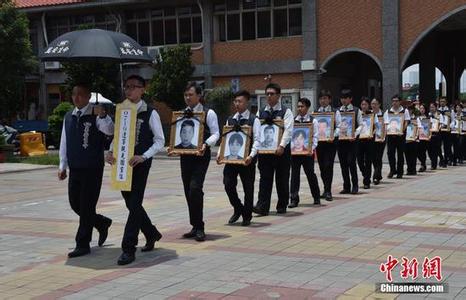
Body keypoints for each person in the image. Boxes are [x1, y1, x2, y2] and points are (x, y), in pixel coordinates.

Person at [106, 75, 165, 265]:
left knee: (135, 203)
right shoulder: (122, 111)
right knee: (132, 204)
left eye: (133, 87)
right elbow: (117, 136)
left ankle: (128, 248)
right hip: (122, 165)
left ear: (143, 89)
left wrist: (144, 156)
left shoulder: (150, 113)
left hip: (140, 164)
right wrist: (111, 152)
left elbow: (160, 141)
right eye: (127, 87)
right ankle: (151, 233)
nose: (129, 90)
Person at [58, 84, 114, 258]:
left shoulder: (96, 114)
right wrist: (62, 165)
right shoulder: (69, 116)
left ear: (88, 96)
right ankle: (101, 222)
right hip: (75, 168)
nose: (76, 98)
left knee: (87, 205)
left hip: (92, 168)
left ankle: (82, 243)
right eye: (74, 94)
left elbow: (110, 130)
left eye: (81, 94)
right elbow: (64, 142)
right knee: (76, 204)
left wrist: (103, 115)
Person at [170, 82, 220, 241]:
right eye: (185, 95)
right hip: (186, 155)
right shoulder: (182, 113)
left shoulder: (208, 113)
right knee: (187, 190)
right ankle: (194, 225)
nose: (187, 98)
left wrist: (206, 144)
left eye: (190, 95)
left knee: (195, 188)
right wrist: (173, 147)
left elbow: (216, 133)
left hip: (200, 155)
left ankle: (200, 227)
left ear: (199, 96)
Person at [218, 90, 260, 226]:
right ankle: (238, 208)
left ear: (247, 102)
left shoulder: (254, 120)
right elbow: (224, 139)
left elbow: (258, 140)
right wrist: (220, 154)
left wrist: (251, 156)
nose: (237, 104)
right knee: (228, 184)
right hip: (231, 159)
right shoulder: (230, 119)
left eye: (240, 101)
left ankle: (247, 216)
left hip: (247, 160)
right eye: (235, 101)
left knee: (248, 188)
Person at [253, 83, 293, 215]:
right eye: (267, 94)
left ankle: (282, 205)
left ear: (279, 96)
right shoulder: (261, 112)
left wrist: (281, 146)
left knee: (282, 179)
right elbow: (257, 131)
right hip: (265, 152)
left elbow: (288, 130)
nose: (269, 96)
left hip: (281, 152)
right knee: (264, 179)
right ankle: (262, 207)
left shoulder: (286, 112)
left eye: (272, 94)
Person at [289, 97, 320, 207]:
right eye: (298, 106)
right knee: (294, 176)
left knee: (310, 174)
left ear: (307, 107)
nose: (299, 108)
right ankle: (293, 199)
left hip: (308, 153)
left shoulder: (313, 121)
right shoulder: (293, 120)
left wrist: (311, 149)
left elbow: (316, 137)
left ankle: (316, 197)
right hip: (295, 154)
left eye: (302, 106)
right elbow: (290, 136)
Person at [313, 89, 341, 201]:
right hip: (320, 143)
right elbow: (313, 128)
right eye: (321, 99)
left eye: (325, 98)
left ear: (329, 99)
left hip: (330, 143)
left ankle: (328, 191)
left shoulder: (335, 112)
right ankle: (325, 189)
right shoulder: (316, 113)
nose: (323, 101)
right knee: (321, 166)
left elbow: (339, 126)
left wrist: (333, 135)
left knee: (328, 165)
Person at [337, 89, 362, 194]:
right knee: (343, 164)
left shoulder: (356, 110)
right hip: (341, 141)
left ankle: (355, 186)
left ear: (350, 99)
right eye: (342, 98)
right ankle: (346, 186)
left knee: (351, 162)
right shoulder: (337, 111)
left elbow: (361, 125)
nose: (343, 100)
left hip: (352, 141)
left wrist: (354, 135)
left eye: (346, 98)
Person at [384, 94, 410, 178]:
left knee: (400, 154)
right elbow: (386, 123)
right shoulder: (388, 111)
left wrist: (402, 130)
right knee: (390, 153)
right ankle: (392, 170)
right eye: (393, 101)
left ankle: (400, 172)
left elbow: (406, 122)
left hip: (400, 135)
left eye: (396, 101)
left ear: (400, 102)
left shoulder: (404, 111)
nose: (394, 103)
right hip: (391, 135)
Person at [356, 97, 374, 189]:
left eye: (365, 104)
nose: (363, 106)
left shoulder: (372, 115)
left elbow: (377, 127)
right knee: (359, 160)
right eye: (362, 104)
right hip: (359, 140)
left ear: (368, 105)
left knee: (368, 161)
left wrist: (373, 133)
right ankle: (365, 174)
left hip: (369, 140)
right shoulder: (357, 114)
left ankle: (367, 181)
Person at [371, 98, 385, 185]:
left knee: (378, 157)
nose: (373, 105)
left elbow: (386, 126)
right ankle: (378, 175)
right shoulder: (369, 114)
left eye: (375, 104)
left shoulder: (384, 114)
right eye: (372, 104)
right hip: (371, 138)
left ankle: (376, 176)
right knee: (373, 157)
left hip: (381, 138)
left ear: (379, 105)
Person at [404, 104, 419, 176]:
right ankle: (409, 169)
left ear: (412, 110)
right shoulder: (404, 119)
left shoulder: (416, 118)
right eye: (407, 109)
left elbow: (419, 127)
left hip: (414, 139)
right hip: (406, 139)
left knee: (413, 155)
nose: (408, 111)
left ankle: (413, 169)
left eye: (410, 110)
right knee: (407, 155)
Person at [438, 97, 453, 166]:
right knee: (438, 146)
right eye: (441, 101)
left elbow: (453, 121)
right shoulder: (438, 111)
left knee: (447, 146)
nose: (442, 103)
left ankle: (447, 159)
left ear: (446, 102)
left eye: (443, 101)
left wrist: (449, 126)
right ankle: (441, 158)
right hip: (440, 130)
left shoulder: (450, 111)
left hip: (447, 130)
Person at [428, 102, 443, 170]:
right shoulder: (428, 115)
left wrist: (438, 128)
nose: (431, 108)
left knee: (435, 150)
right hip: (430, 134)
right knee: (429, 150)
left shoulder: (439, 115)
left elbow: (442, 124)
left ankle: (434, 165)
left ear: (436, 107)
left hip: (437, 134)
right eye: (430, 107)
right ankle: (433, 161)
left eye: (433, 107)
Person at [417, 103, 429, 172]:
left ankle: (423, 165)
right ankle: (423, 163)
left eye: (423, 108)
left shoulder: (428, 117)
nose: (422, 110)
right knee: (418, 151)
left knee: (423, 151)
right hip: (418, 136)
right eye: (420, 108)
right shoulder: (417, 117)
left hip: (425, 136)